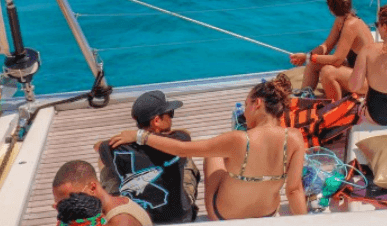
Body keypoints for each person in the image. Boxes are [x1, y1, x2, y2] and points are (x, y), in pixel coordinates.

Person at [110, 74, 307, 221]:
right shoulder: (296, 138)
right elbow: (294, 190)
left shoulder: (238, 139)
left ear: (257, 104)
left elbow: (182, 149)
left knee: (214, 156)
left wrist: (140, 136)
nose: (245, 113)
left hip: (225, 215)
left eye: (246, 105)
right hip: (267, 212)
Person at [95, 90, 200, 223]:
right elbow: (184, 134)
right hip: (181, 217)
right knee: (187, 157)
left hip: (138, 218)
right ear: (157, 121)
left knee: (103, 161)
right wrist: (142, 137)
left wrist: (132, 139)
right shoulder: (180, 140)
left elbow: (98, 146)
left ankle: (119, 198)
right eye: (170, 114)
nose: (171, 118)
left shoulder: (113, 148)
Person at [289, 0, 374, 100]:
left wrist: (307, 57)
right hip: (354, 70)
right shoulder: (341, 20)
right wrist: (308, 57)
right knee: (313, 62)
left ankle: (334, 106)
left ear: (330, 7)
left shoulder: (351, 25)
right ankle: (306, 95)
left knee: (327, 72)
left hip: (367, 81)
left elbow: (337, 59)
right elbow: (327, 46)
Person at [52, 160, 153, 226]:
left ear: (92, 187)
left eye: (70, 200)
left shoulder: (120, 221)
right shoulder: (110, 202)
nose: (64, 207)